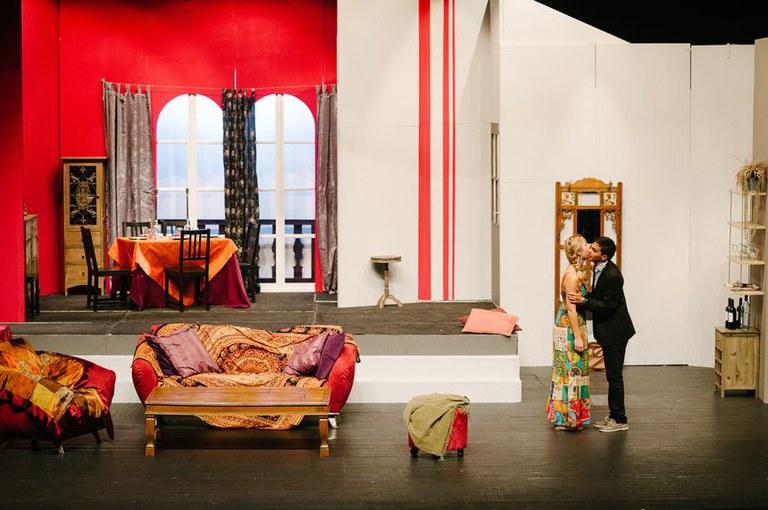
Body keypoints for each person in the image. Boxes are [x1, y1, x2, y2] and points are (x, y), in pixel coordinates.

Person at [567, 236, 635, 433]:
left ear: (603, 256)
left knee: (614, 376)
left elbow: (607, 306)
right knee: (612, 376)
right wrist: (584, 297)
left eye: (594, 250)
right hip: (608, 331)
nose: (590, 251)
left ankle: (619, 419)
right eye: (590, 247)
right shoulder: (599, 269)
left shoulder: (613, 275)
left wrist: (583, 301)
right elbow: (598, 296)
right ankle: (613, 416)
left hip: (616, 332)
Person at [547, 234, 591, 431]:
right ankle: (566, 418)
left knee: (573, 371)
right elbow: (571, 309)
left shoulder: (575, 271)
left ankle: (571, 417)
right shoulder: (572, 276)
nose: (589, 247)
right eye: (586, 245)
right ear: (578, 251)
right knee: (569, 370)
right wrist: (578, 337)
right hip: (569, 328)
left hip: (571, 324)